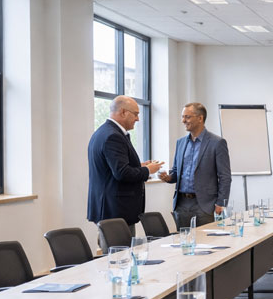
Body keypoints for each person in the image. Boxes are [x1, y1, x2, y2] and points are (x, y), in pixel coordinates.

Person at [87, 95, 163, 236]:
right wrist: (147, 170)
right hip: (115, 212)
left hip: (111, 209)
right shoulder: (113, 136)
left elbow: (111, 167)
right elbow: (122, 173)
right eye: (135, 114)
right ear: (123, 112)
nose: (138, 119)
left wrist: (138, 165)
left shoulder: (103, 132)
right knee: (120, 255)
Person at [158, 102, 232, 228]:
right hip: (181, 204)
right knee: (183, 243)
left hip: (205, 205)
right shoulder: (180, 143)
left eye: (187, 117)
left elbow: (225, 176)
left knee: (207, 243)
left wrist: (221, 203)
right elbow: (176, 172)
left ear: (200, 118)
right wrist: (168, 177)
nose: (183, 120)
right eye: (182, 117)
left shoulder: (217, 143)